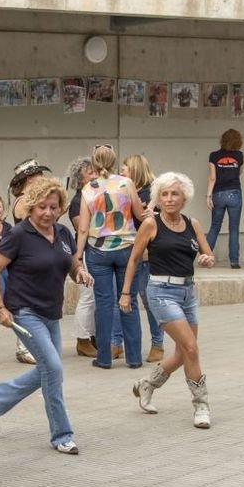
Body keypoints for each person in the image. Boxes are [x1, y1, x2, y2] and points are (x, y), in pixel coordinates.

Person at [0, 177, 93, 454]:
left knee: (48, 369)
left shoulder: (64, 233)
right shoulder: (19, 235)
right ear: (30, 206)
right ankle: (61, 434)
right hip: (24, 311)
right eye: (42, 206)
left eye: (53, 207)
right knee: (54, 369)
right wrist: (0, 309)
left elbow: (71, 262)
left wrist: (80, 272)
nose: (48, 213)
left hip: (50, 312)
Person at [121, 172, 216, 428]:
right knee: (192, 348)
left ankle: (147, 385)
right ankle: (201, 407)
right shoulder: (151, 225)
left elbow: (208, 254)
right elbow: (133, 259)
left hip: (187, 292)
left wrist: (206, 260)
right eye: (164, 194)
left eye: (175, 193)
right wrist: (126, 293)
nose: (170, 199)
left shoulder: (192, 224)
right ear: (157, 198)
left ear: (184, 197)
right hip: (161, 291)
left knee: (184, 353)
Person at [73, 144, 148, 369]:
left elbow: (84, 229)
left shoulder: (88, 189)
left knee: (104, 304)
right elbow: (138, 215)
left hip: (97, 252)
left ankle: (104, 358)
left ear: (94, 163)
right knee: (129, 300)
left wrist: (77, 256)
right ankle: (134, 358)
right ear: (114, 161)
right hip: (126, 248)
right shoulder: (127, 184)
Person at [6, 158, 52, 365]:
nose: (42, 179)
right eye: (38, 176)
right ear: (29, 179)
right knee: (25, 302)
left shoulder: (31, 200)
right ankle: (23, 347)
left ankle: (33, 344)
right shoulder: (24, 201)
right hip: (25, 257)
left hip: (34, 255)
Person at [120, 154, 165, 363]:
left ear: (135, 171)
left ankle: (158, 343)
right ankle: (117, 342)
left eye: (125, 169)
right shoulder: (127, 192)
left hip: (146, 255)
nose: (121, 173)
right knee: (125, 298)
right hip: (130, 253)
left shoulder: (149, 195)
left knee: (148, 300)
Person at [67, 156, 98, 358]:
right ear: (81, 179)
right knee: (87, 296)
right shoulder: (78, 201)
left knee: (94, 296)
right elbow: (83, 228)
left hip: (94, 250)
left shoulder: (93, 197)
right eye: (90, 173)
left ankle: (93, 336)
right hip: (84, 251)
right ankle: (82, 340)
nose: (95, 176)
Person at [207, 128, 244, 269]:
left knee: (215, 226)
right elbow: (239, 172)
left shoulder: (214, 156)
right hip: (235, 193)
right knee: (234, 229)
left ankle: (206, 256)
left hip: (218, 193)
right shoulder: (239, 155)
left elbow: (212, 178)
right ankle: (234, 261)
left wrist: (208, 195)